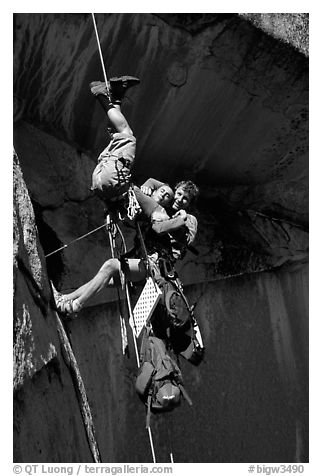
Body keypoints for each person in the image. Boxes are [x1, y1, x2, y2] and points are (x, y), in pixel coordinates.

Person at [54, 179, 199, 315]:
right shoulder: (160, 208)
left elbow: (186, 239)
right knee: (102, 280)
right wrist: (148, 186)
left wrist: (182, 219)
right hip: (142, 261)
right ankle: (65, 299)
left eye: (185, 198)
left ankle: (75, 306)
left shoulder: (188, 219)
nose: (180, 199)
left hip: (155, 268)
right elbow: (158, 186)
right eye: (179, 194)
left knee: (110, 266)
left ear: (189, 204)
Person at [89, 76, 140, 201]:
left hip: (112, 182)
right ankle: (117, 96)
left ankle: (100, 93)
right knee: (117, 134)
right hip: (102, 185)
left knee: (127, 134)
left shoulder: (158, 210)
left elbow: (153, 183)